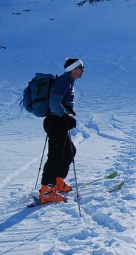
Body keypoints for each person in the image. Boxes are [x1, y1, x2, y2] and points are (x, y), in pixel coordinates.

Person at [39, 58, 85, 204]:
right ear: (73, 69)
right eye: (81, 68)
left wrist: (66, 117)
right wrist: (65, 117)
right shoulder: (63, 81)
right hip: (55, 122)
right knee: (55, 156)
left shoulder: (68, 82)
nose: (83, 71)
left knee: (69, 151)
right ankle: (46, 191)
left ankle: (58, 181)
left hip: (59, 122)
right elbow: (54, 103)